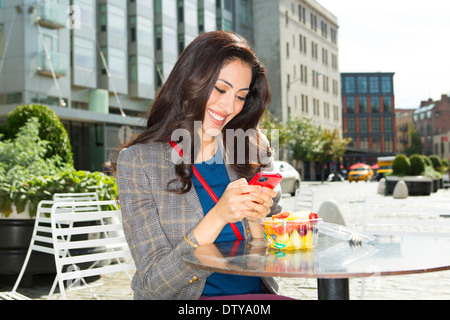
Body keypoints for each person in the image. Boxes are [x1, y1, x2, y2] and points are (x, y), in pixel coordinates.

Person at [113, 31, 286, 300]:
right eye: (220, 89)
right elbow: (152, 285)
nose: (230, 106)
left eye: (241, 96)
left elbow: (278, 257)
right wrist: (217, 218)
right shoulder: (138, 163)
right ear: (190, 81)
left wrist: (256, 222)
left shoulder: (252, 147)